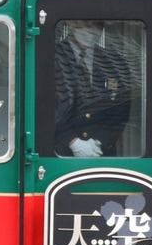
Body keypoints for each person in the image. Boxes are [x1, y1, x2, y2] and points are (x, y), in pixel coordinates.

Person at [54, 20, 135, 157]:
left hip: (100, 154)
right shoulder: (51, 56)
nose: (92, 30)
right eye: (87, 25)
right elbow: (42, 105)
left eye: (98, 26)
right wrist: (72, 141)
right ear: (72, 24)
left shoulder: (113, 62)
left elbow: (121, 108)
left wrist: (99, 142)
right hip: (58, 153)